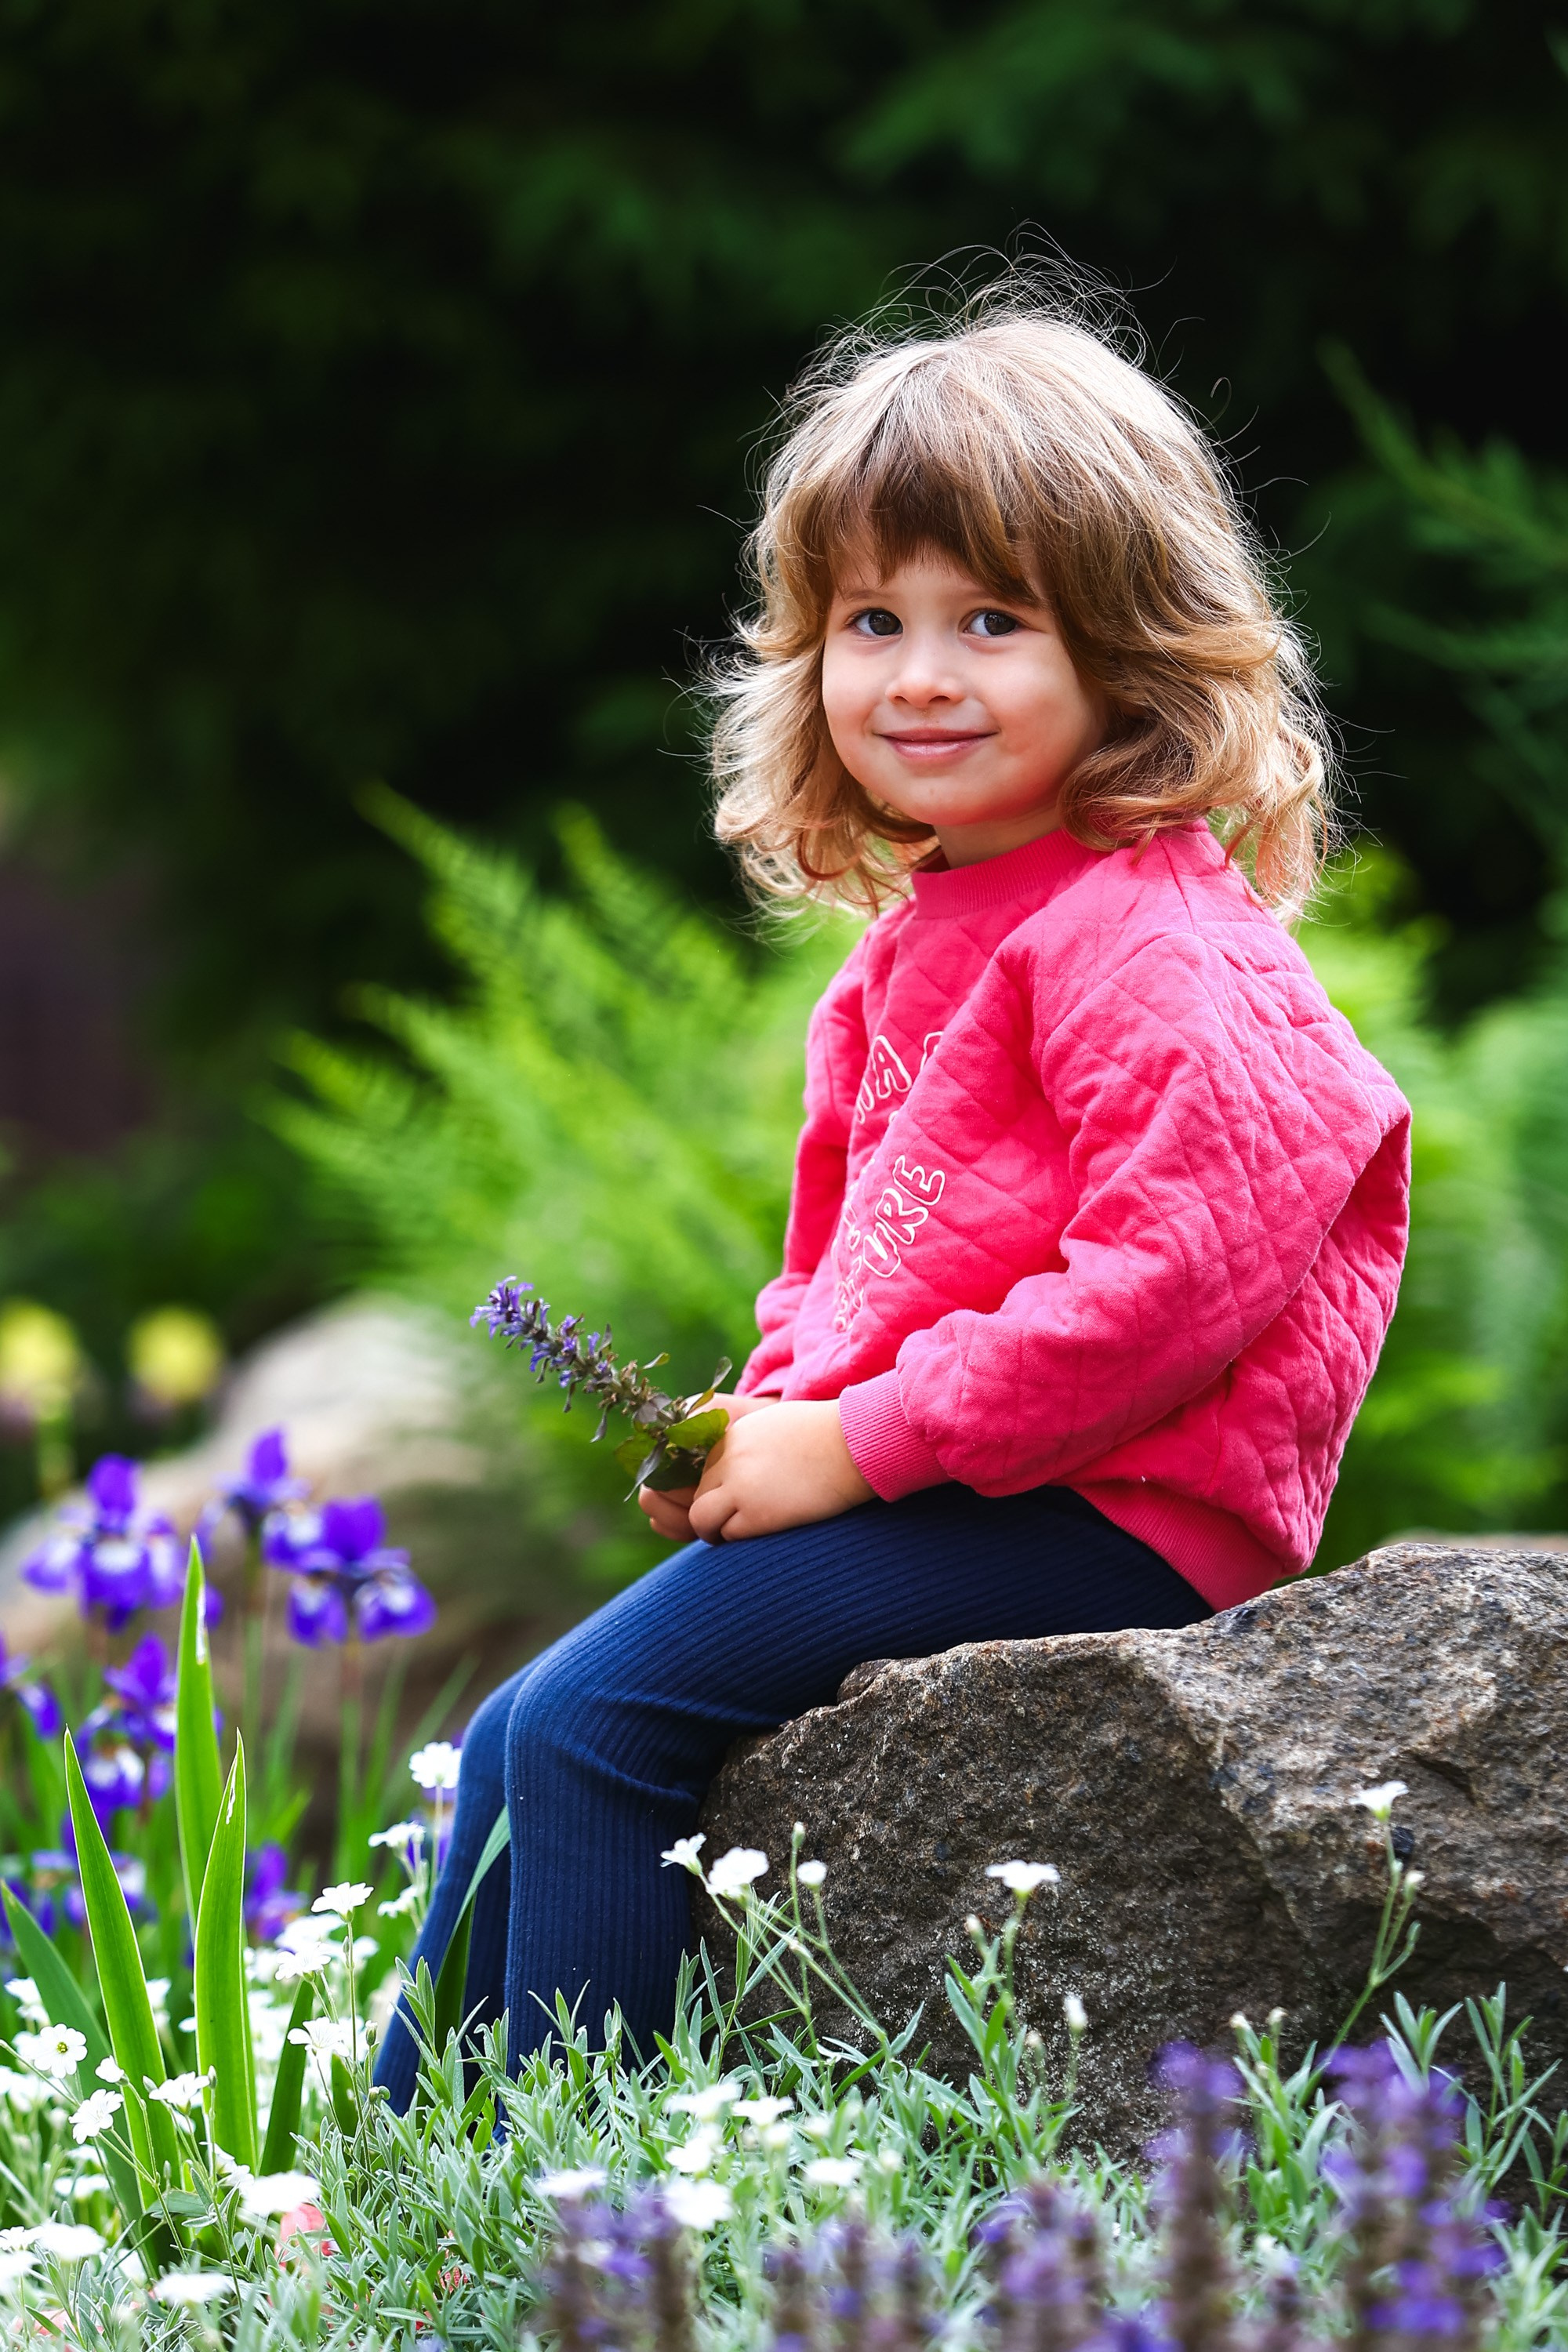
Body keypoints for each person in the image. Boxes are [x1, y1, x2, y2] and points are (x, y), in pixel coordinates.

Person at [374, 291, 1410, 2108]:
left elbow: (1176, 1285)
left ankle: (581, 2212)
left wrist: (853, 1451)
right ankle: (400, 2173)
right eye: (873, 622)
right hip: (980, 1474)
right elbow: (853, 1263)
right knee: (520, 1725)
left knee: (603, 1728)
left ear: (1134, 652)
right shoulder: (922, 944)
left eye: (990, 621)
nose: (918, 674)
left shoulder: (1152, 938)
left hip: (1126, 1504)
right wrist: (768, 1420)